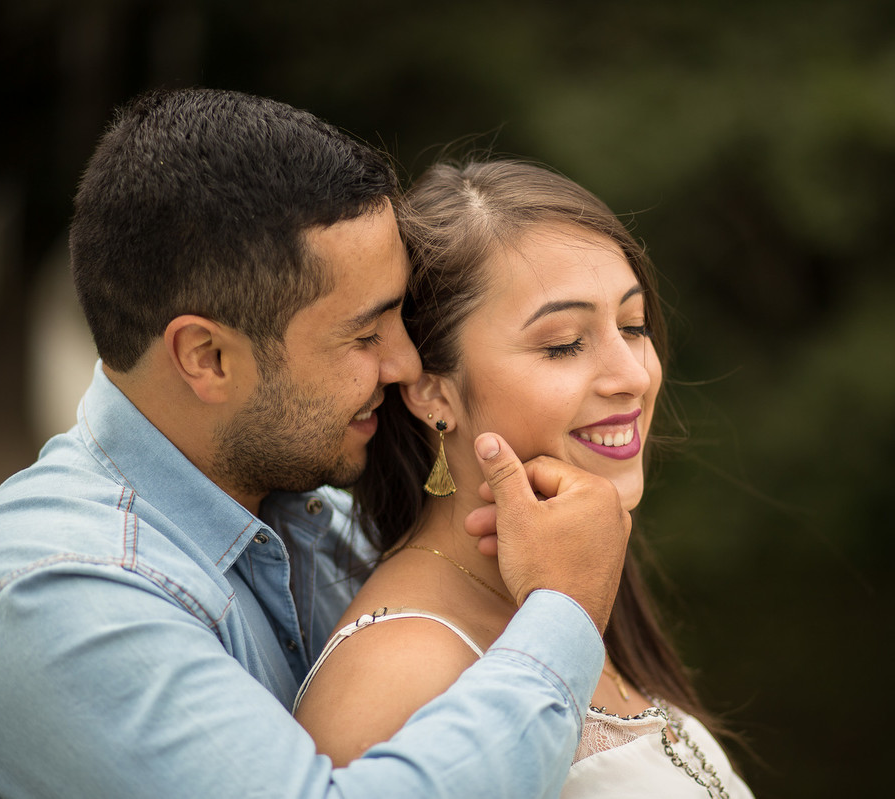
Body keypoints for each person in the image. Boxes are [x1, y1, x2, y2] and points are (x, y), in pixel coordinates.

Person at [0, 89, 633, 798]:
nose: (403, 364)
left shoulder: (314, 520)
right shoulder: (58, 597)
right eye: (365, 334)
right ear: (208, 359)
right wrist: (565, 612)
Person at [293, 159, 755, 798]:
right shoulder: (397, 673)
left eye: (633, 325)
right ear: (432, 392)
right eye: (563, 343)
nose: (632, 375)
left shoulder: (574, 582)